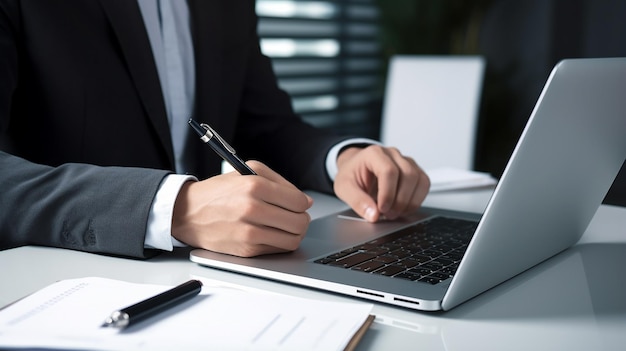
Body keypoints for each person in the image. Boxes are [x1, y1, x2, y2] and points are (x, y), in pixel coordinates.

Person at [0, 0, 429, 259]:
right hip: (68, 285)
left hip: (221, 277)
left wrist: (342, 158)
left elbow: (265, 126)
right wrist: (174, 209)